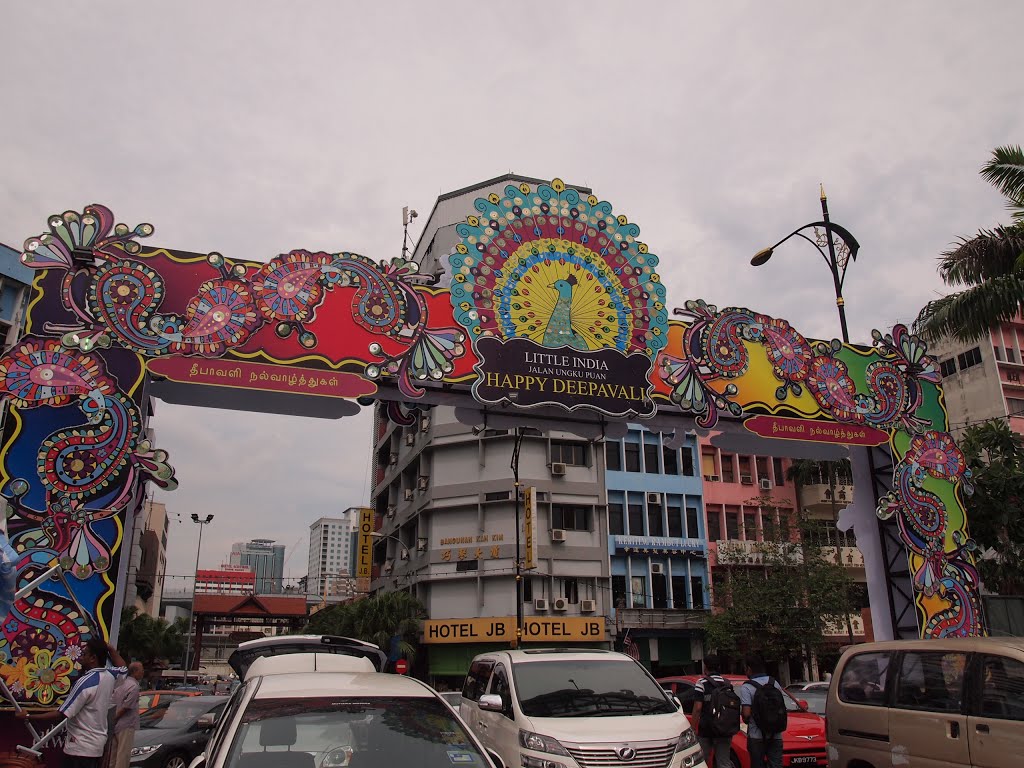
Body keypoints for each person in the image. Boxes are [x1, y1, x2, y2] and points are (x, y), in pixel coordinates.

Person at [18, 638, 128, 768]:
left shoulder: (85, 683)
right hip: (97, 747)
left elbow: (61, 714)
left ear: (93, 658)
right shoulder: (109, 676)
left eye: (85, 654)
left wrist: (28, 716)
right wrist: (109, 649)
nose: (81, 656)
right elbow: (124, 668)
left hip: (80, 748)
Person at [738, 654, 785, 768]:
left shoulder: (747, 687)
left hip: (756, 736)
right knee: (776, 765)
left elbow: (746, 713)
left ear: (749, 669)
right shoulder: (774, 683)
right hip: (776, 734)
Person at [691, 655, 735, 768]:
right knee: (724, 762)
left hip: (706, 728)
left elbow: (697, 708)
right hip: (724, 729)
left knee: (702, 761)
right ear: (719, 667)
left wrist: (693, 728)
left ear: (705, 667)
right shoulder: (727, 683)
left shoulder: (701, 683)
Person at [107, 662, 144, 768]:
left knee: (113, 757)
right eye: (141, 670)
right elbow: (126, 707)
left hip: (116, 726)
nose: (143, 673)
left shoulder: (121, 684)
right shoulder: (134, 687)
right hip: (126, 725)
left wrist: (112, 720)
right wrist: (115, 718)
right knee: (123, 757)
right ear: (135, 672)